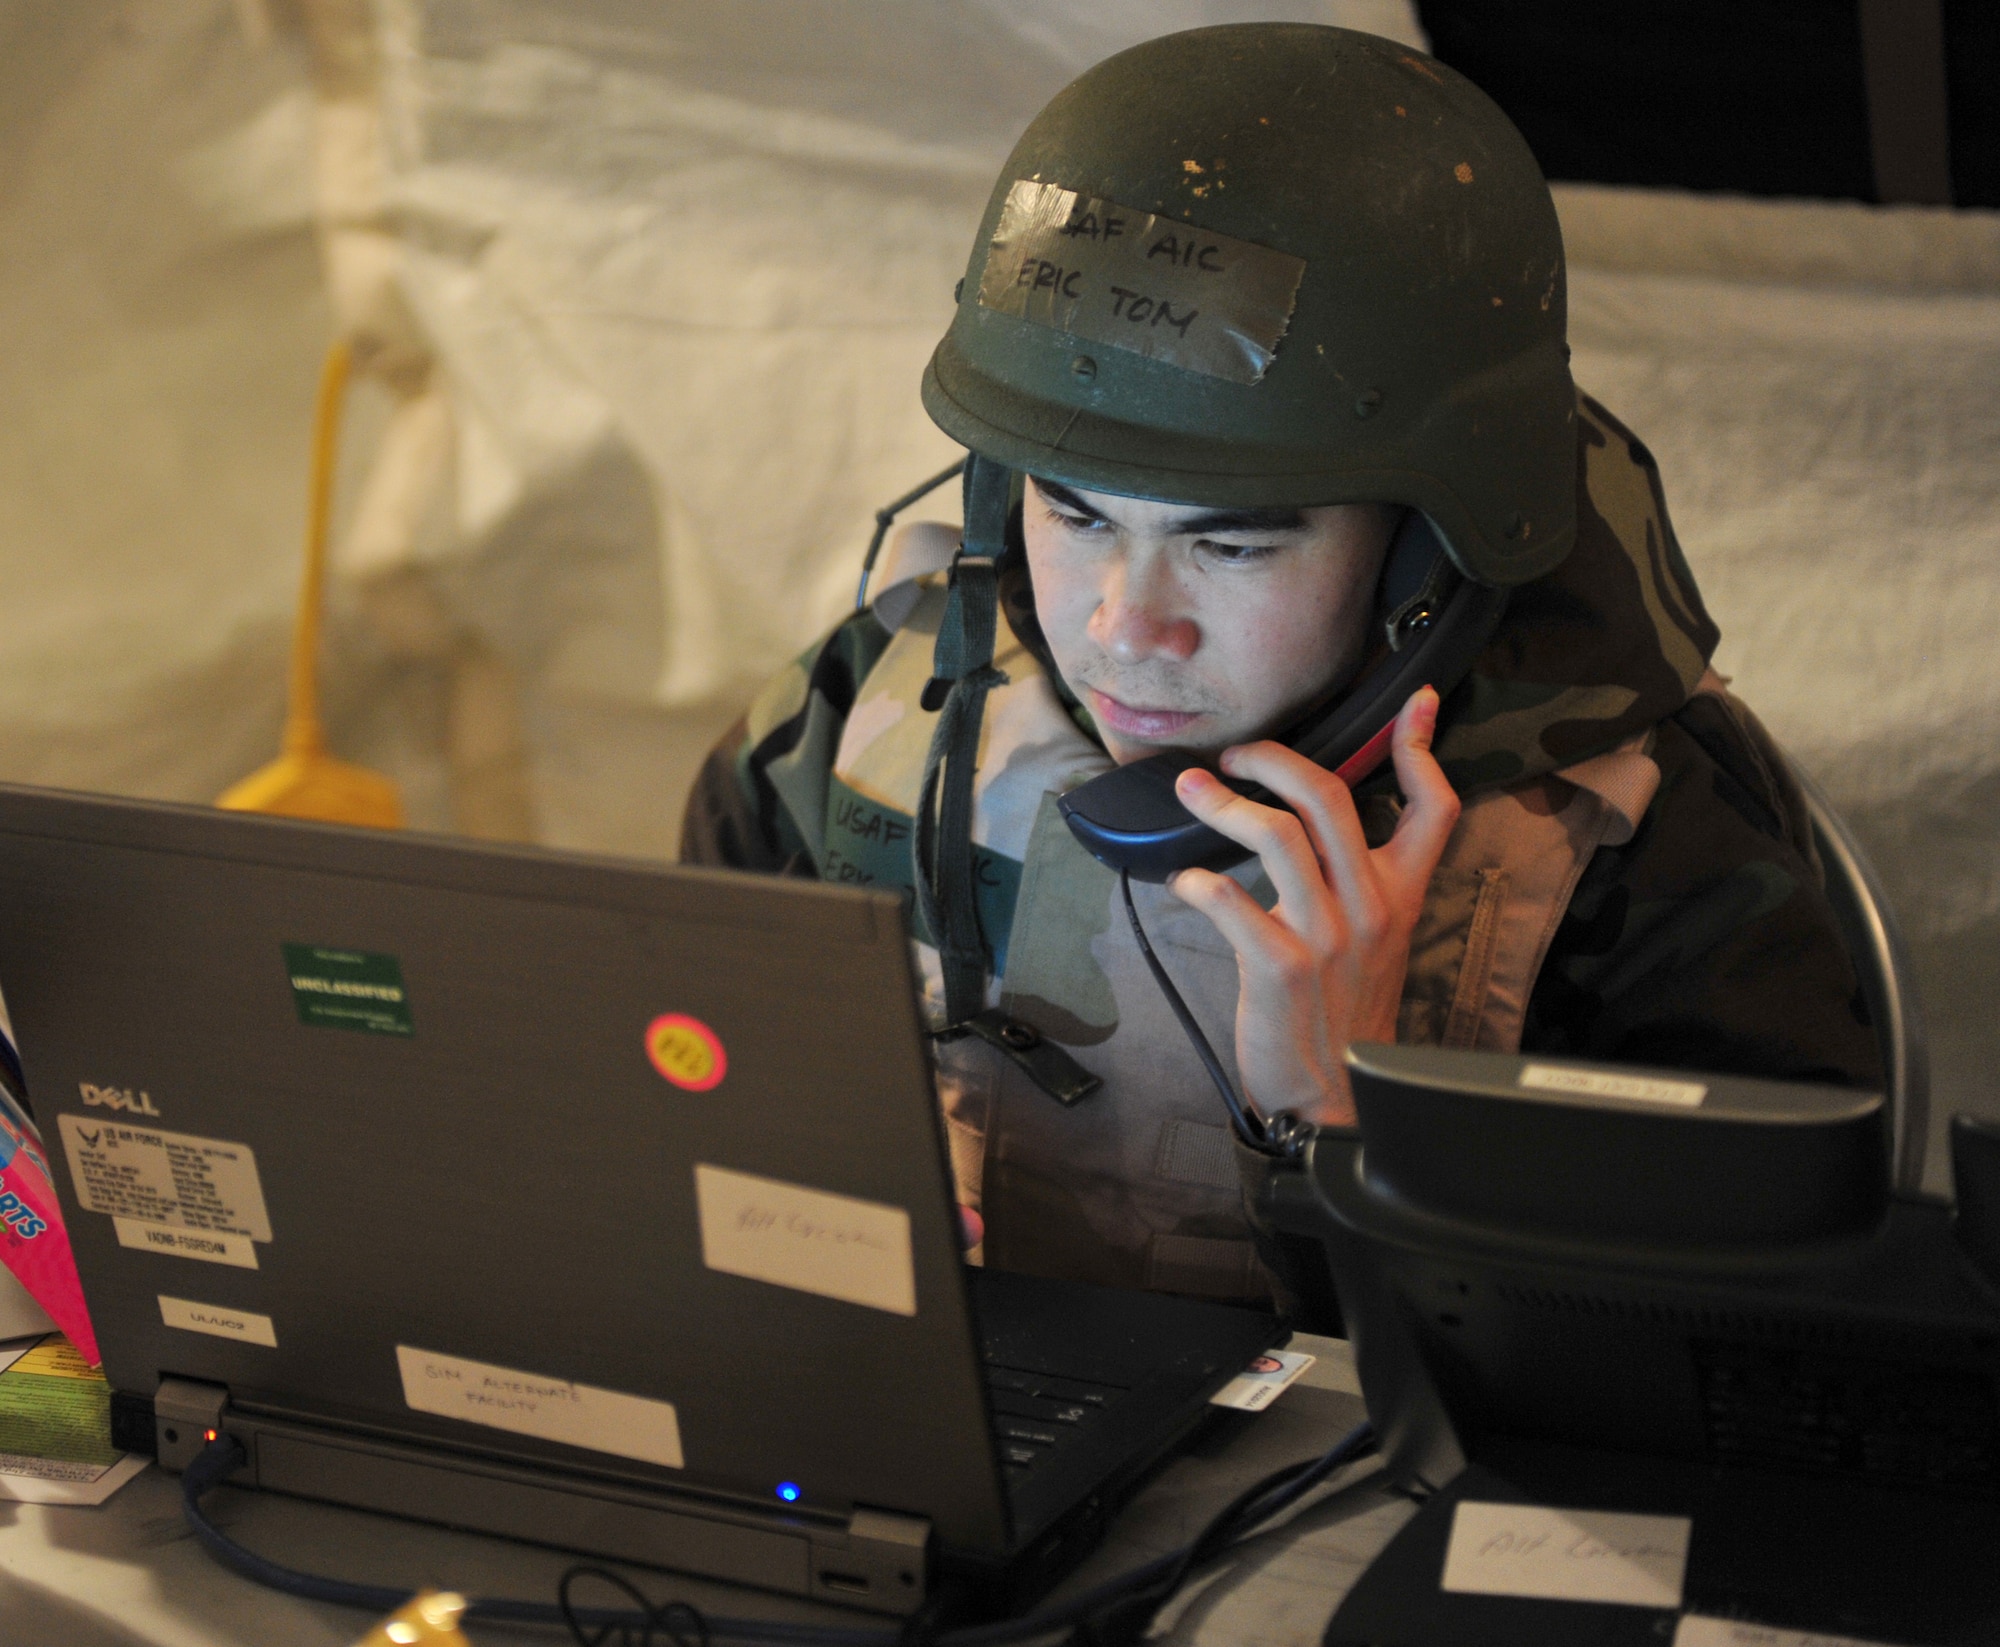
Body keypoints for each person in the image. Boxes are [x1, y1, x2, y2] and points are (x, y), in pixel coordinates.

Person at [680, 24, 1879, 1305]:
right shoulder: (858, 719)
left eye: (1233, 545)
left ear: (1423, 556)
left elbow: (1719, 1403)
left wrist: (1350, 1118)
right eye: (1076, 516)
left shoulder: (1643, 852)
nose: (1122, 629)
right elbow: (676, 1123)